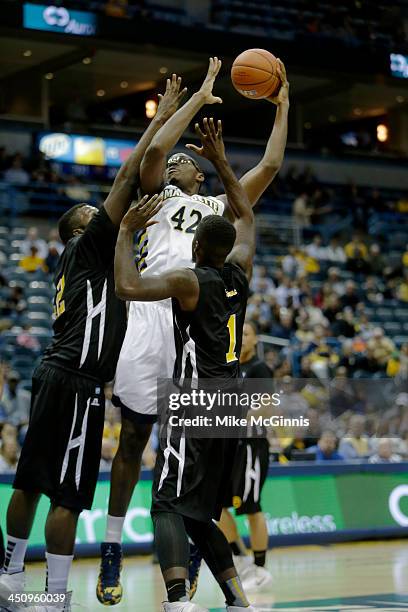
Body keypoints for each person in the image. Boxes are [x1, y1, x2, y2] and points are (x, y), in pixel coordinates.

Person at [97, 57, 289, 603]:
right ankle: (112, 549)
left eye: (189, 159)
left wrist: (281, 108)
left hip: (194, 325)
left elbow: (269, 167)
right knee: (134, 438)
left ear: (201, 173)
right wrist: (195, 99)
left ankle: (190, 573)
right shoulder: (157, 195)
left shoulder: (219, 208)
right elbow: (156, 151)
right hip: (155, 311)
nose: (180, 158)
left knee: (186, 464)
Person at [0, 76, 186, 611]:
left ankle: (11, 574)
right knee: (67, 495)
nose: (102, 214)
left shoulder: (94, 264)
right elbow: (129, 177)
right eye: (93, 216)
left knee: (29, 482)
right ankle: (55, 596)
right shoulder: (90, 246)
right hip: (78, 381)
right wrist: (159, 117)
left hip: (54, 371)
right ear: (80, 232)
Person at [114, 116, 256, 612]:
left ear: (197, 248)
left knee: (166, 505)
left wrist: (125, 235)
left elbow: (128, 288)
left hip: (196, 397)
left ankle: (178, 601)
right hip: (232, 406)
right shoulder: (241, 274)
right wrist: (221, 161)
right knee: (198, 514)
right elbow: (247, 218)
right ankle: (237, 598)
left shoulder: (189, 282)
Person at [218, 321, 273, 592]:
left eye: (246, 334)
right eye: (237, 334)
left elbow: (267, 408)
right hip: (230, 445)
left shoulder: (259, 369)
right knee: (218, 506)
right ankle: (241, 560)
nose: (240, 338)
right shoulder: (230, 367)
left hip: (252, 444)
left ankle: (261, 568)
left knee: (252, 507)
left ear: (255, 340)